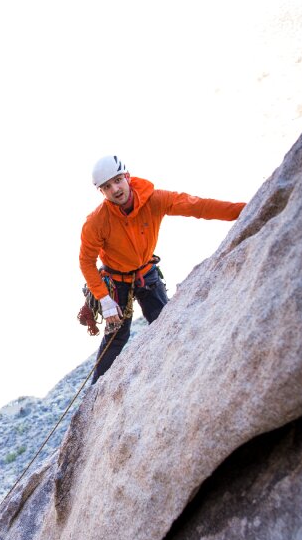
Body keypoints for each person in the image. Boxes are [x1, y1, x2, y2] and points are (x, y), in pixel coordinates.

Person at [80, 154, 245, 383]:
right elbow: (86, 261)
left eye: (118, 180)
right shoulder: (96, 222)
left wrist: (244, 210)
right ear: (102, 192)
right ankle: (94, 393)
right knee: (117, 335)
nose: (115, 189)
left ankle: (180, 373)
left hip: (145, 273)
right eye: (107, 187)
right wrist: (104, 299)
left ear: (127, 176)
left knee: (165, 323)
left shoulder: (154, 199)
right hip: (116, 280)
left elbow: (198, 206)